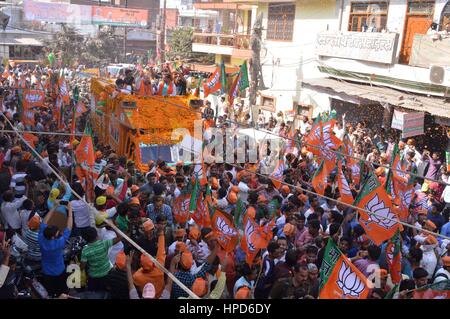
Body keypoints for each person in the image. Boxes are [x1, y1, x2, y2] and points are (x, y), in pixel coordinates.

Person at [38, 204, 73, 297]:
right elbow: (69, 227)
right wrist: (70, 210)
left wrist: (54, 207)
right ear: (53, 237)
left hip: (46, 271)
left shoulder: (41, 237)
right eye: (58, 233)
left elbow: (44, 222)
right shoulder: (59, 242)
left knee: (50, 292)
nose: (60, 233)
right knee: (62, 291)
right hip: (59, 271)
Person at [80, 225, 123, 292]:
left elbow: (82, 267)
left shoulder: (85, 250)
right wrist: (113, 227)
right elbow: (120, 237)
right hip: (107, 274)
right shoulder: (104, 243)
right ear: (97, 236)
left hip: (94, 277)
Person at [133, 223, 166, 297]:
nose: (148, 233)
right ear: (143, 231)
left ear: (153, 229)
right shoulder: (160, 270)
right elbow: (136, 255)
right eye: (146, 231)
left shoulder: (136, 277)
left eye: (150, 231)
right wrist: (161, 234)